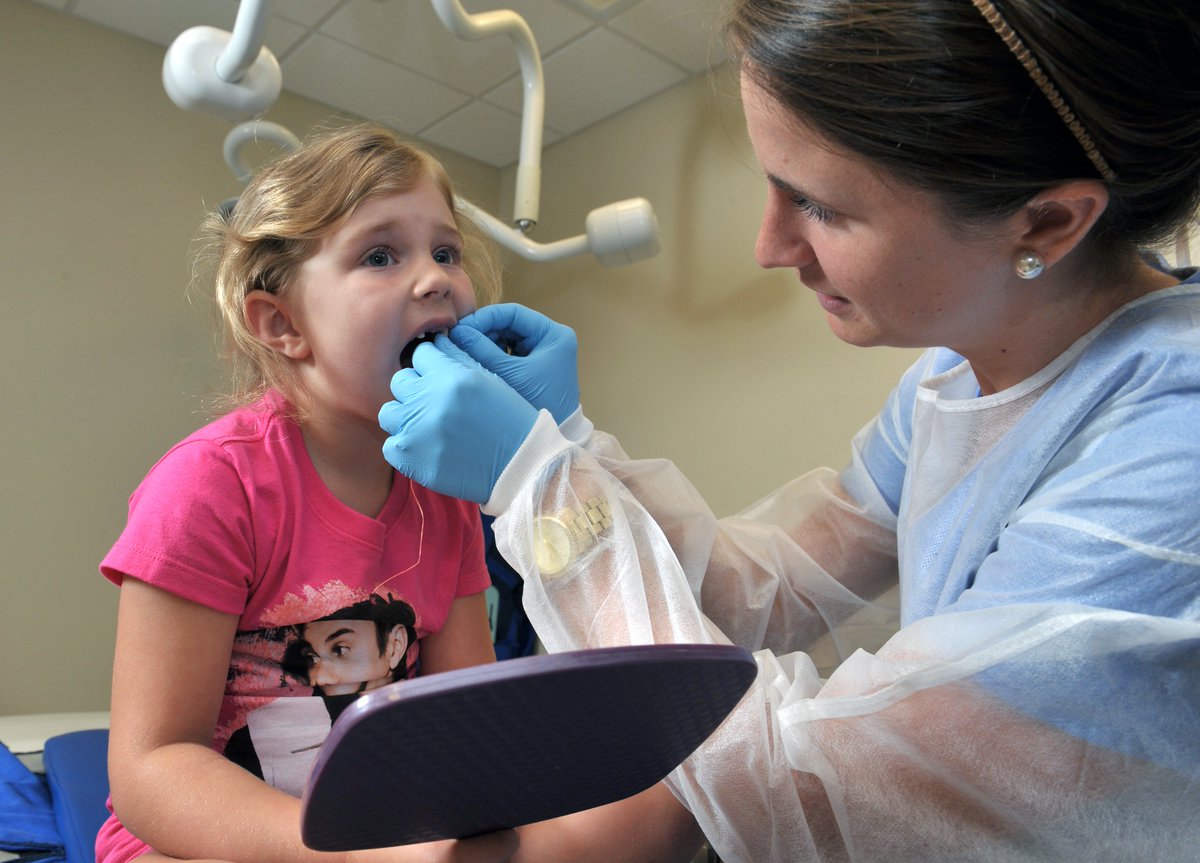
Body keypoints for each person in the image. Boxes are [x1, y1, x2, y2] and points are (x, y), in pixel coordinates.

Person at [377, 1, 1200, 860]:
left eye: (820, 206)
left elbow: (798, 791)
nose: (770, 245)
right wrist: (575, 443)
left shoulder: (1176, 440)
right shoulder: (948, 380)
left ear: (1046, 223)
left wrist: (536, 485)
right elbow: (764, 594)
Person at [98, 124, 518, 863]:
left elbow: (467, 728)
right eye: (381, 255)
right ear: (283, 323)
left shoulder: (446, 501)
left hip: (381, 833)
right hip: (198, 842)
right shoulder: (212, 484)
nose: (434, 278)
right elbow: (152, 766)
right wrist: (353, 854)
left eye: (445, 251)